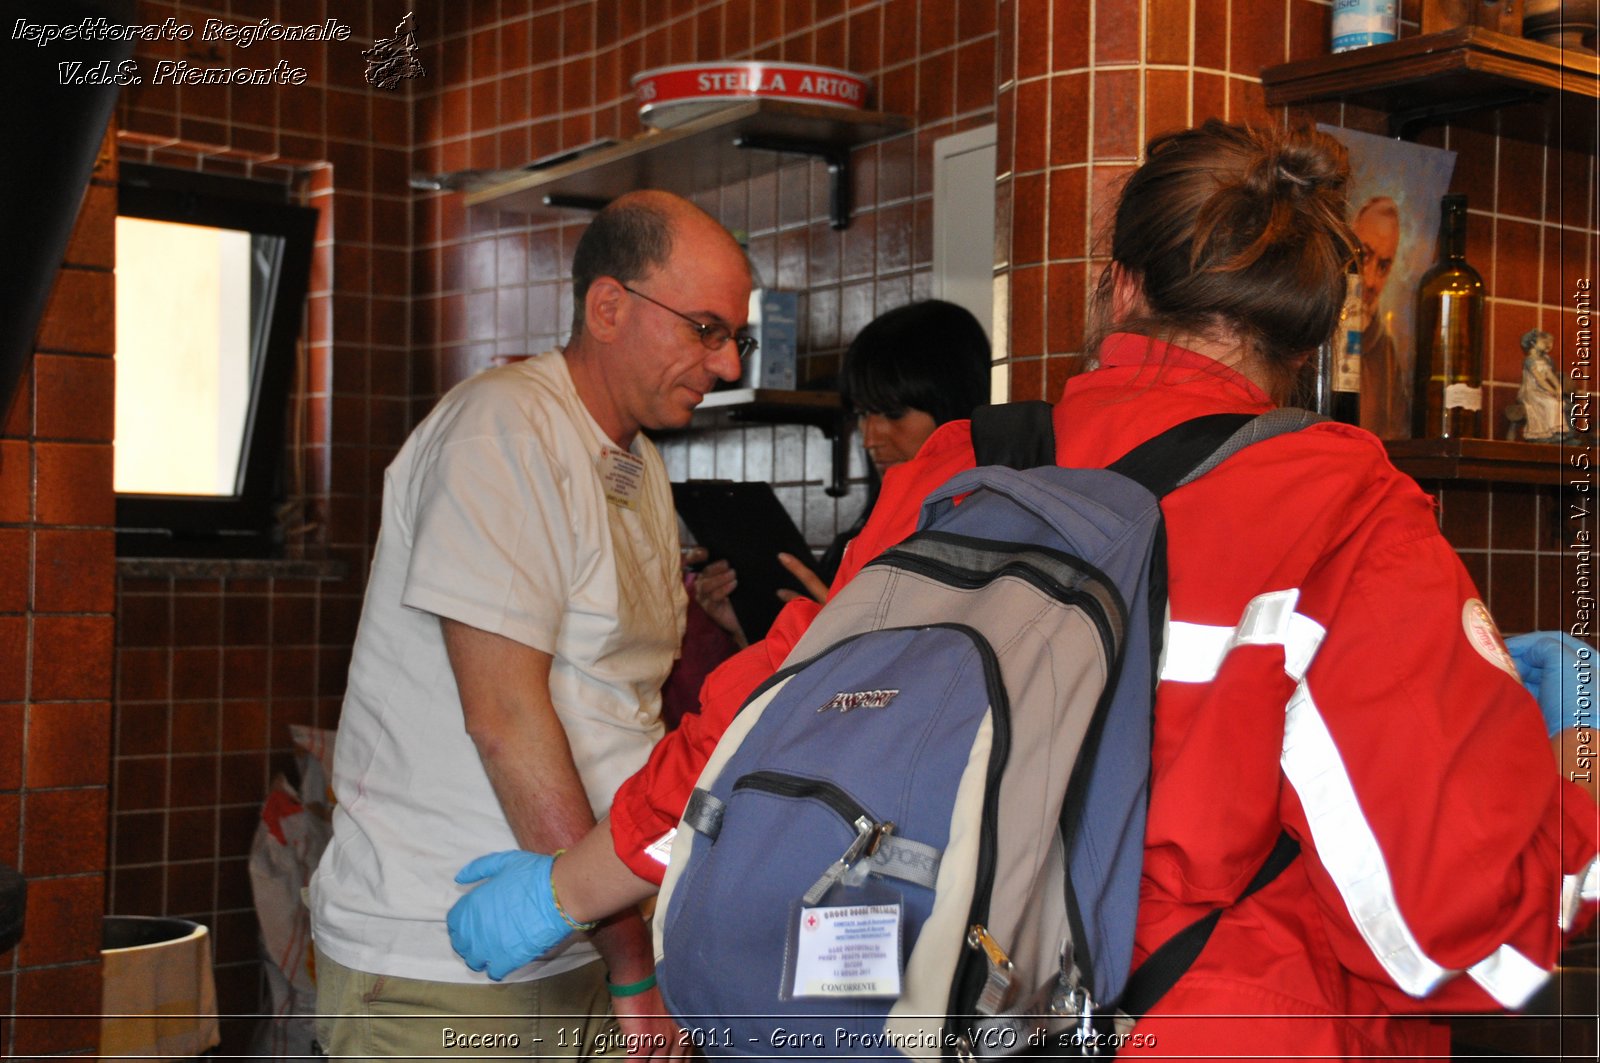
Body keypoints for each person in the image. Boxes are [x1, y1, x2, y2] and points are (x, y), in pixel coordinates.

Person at [446, 122, 1599, 1057]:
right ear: (1315, 329)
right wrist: (1570, 769)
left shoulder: (964, 458)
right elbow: (1454, 923)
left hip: (953, 1012)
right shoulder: (1340, 501)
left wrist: (560, 886)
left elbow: (763, 704)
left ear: (1116, 285)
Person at [307, 189, 753, 1059]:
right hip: (442, 960)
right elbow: (505, 719)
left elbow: (621, 710)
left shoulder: (640, 466)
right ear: (609, 305)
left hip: (583, 936)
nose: (728, 363)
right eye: (706, 328)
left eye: (737, 336)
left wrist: (631, 932)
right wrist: (630, 964)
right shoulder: (502, 427)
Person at [691, 299, 991, 639]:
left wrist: (839, 636)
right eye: (862, 414)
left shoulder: (991, 544)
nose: (869, 439)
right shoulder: (856, 540)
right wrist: (746, 625)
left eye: (893, 414)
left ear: (956, 406)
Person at [1351, 195, 1408, 438]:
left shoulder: (1386, 351)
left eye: (1383, 266)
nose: (1371, 280)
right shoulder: (1314, 332)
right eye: (1364, 256)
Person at [1518, 328, 1568, 441]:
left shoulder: (1545, 359)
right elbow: (1539, 379)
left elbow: (1550, 376)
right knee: (1550, 403)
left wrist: (1558, 387)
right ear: (1533, 343)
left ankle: (1557, 432)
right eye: (1543, 342)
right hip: (1532, 391)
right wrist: (1552, 391)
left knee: (1559, 403)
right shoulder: (1529, 360)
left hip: (1544, 390)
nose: (1547, 345)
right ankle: (1547, 433)